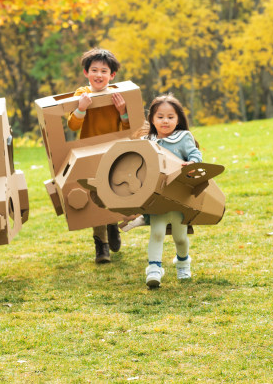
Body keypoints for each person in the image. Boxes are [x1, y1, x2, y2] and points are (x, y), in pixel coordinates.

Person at [67, 48, 130, 263]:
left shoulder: (118, 94)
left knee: (114, 190)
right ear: (86, 72)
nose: (99, 75)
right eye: (94, 70)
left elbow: (129, 128)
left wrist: (122, 111)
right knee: (95, 196)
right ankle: (100, 244)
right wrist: (82, 108)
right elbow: (73, 124)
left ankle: (113, 224)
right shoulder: (81, 93)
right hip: (90, 153)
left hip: (114, 152)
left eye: (104, 71)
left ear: (112, 75)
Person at [140, 94, 201, 288]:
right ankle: (154, 269)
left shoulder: (183, 138)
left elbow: (195, 155)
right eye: (160, 116)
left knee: (180, 236)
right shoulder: (146, 141)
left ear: (178, 119)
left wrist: (192, 163)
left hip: (179, 196)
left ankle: (183, 263)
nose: (165, 121)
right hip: (156, 198)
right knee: (156, 232)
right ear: (152, 118)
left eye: (170, 117)